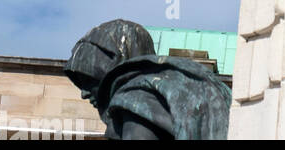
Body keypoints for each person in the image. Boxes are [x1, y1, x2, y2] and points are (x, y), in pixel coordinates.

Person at [65, 19, 230, 140]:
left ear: (112, 68)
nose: (84, 93)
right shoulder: (200, 87)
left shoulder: (136, 99)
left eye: (88, 80)